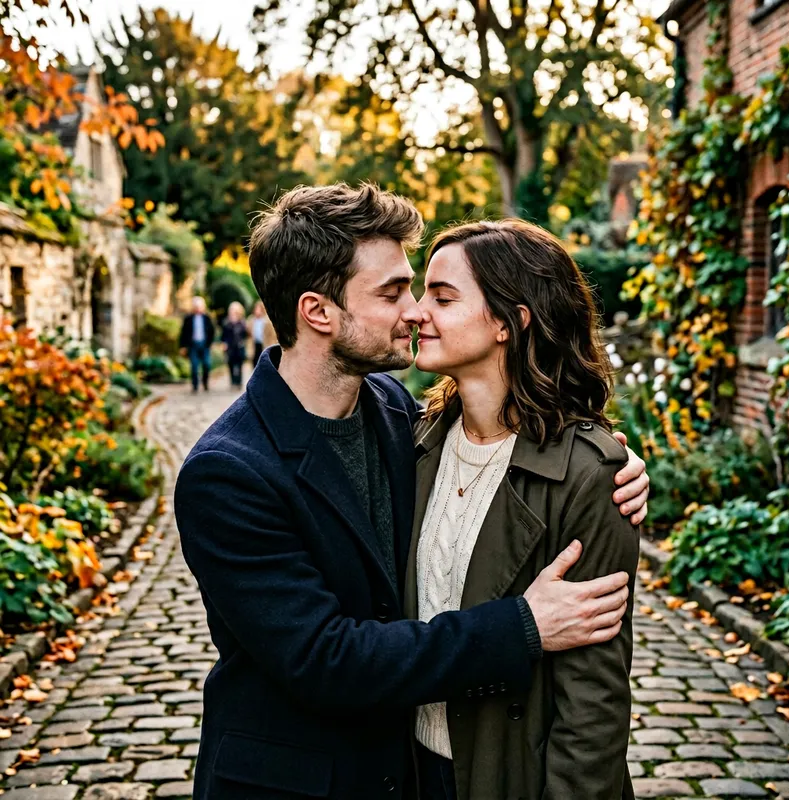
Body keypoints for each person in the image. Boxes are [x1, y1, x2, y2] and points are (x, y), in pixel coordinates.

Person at [174, 184, 649, 800]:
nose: (415, 310)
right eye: (393, 292)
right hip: (298, 782)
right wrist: (522, 626)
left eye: (424, 290)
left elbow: (512, 438)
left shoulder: (399, 413)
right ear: (318, 312)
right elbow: (326, 659)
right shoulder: (228, 472)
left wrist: (609, 460)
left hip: (413, 773)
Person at [411, 219, 638, 800]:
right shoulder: (413, 443)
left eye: (442, 297)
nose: (416, 312)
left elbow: (594, 705)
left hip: (513, 776)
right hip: (408, 771)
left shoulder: (590, 477)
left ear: (511, 321)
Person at [179, 296, 215, 393]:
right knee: (194, 366)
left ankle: (205, 382)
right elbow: (183, 333)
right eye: (196, 306)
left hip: (204, 345)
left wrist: (210, 343)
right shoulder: (188, 319)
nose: (198, 308)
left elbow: (212, 331)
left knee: (206, 364)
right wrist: (182, 346)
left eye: (199, 306)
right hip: (193, 345)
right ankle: (195, 385)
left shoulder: (207, 318)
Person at [221, 301, 248, 389]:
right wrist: (224, 343)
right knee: (231, 364)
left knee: (239, 365)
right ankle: (233, 381)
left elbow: (245, 334)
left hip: (239, 346)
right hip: (230, 347)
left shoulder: (242, 322)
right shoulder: (226, 322)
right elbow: (223, 335)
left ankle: (238, 382)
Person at [248, 300, 276, 368]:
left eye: (259, 309)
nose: (257, 311)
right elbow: (248, 333)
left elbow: (272, 335)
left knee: (263, 364)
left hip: (264, 345)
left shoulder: (267, 321)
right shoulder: (251, 320)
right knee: (255, 363)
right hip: (255, 345)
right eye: (256, 309)